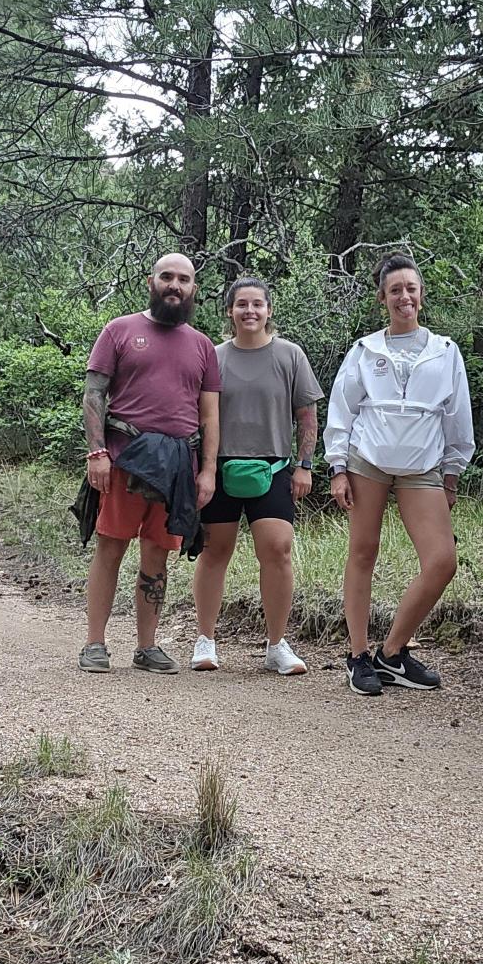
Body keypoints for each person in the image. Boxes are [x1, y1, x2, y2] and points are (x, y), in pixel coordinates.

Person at [324, 253, 474, 697]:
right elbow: (343, 408)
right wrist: (337, 467)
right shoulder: (365, 350)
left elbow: (457, 415)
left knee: (442, 561)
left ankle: (391, 654)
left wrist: (452, 472)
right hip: (367, 460)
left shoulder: (445, 351)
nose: (403, 296)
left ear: (421, 295)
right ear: (382, 298)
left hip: (423, 464)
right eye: (395, 290)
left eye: (410, 288)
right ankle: (357, 656)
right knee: (363, 551)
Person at [78, 253, 220, 675]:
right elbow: (93, 395)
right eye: (166, 277)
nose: (174, 285)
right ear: (150, 282)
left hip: (178, 466)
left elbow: (210, 415)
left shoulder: (202, 346)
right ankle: (95, 643)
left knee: (157, 554)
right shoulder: (119, 330)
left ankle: (147, 646)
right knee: (110, 548)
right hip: (125, 460)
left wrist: (207, 471)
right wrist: (97, 453)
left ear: (194, 288)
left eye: (183, 279)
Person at [190, 277, 324, 675]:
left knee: (278, 551)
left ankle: (276, 644)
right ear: (229, 311)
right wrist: (203, 471)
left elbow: (307, 415)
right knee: (215, 552)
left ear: (269, 310)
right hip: (220, 465)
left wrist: (305, 464)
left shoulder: (290, 355)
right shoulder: (213, 357)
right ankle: (205, 640)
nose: (250, 311)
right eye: (241, 305)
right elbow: (200, 416)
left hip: (275, 467)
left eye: (257, 305)